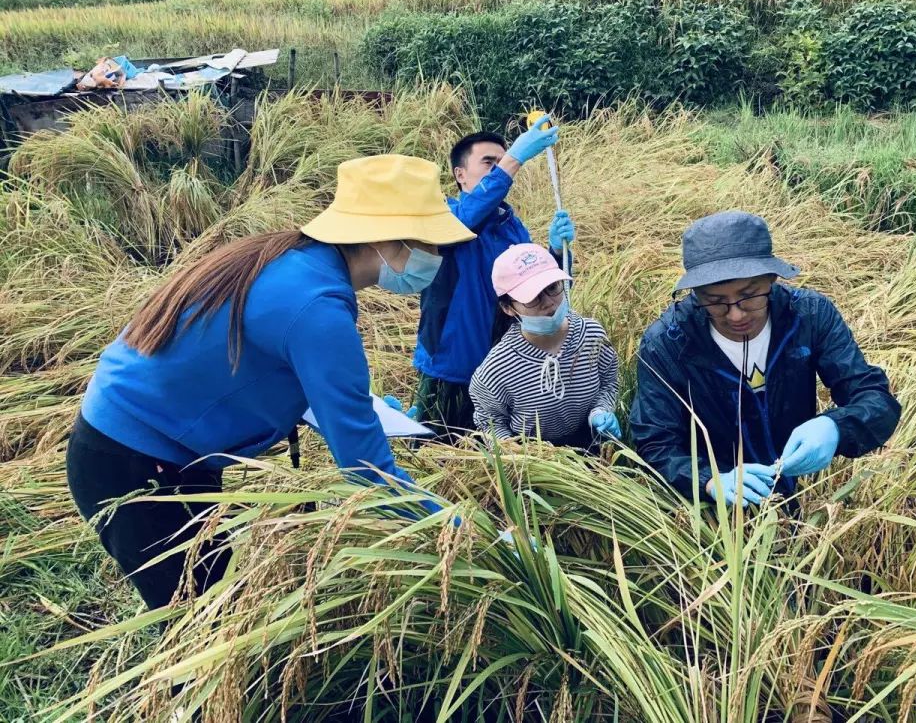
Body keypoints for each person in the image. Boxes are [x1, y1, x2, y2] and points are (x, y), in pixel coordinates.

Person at [66, 155, 475, 610]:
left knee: (214, 600)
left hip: (131, 445)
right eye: (429, 244)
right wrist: (460, 528)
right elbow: (367, 471)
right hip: (136, 468)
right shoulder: (315, 307)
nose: (434, 259)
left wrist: (358, 407)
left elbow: (261, 365)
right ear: (382, 236)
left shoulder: (293, 260)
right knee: (201, 625)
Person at [630, 211, 900, 508]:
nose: (735, 314)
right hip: (712, 504)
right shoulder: (667, 343)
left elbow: (875, 399)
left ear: (772, 279)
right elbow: (656, 442)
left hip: (797, 488)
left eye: (749, 295)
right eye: (715, 301)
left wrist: (836, 427)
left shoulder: (810, 316)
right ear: (695, 293)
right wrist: (709, 480)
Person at [411, 118, 577, 441]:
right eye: (489, 162)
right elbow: (463, 224)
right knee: (434, 455)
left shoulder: (510, 225)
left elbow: (536, 288)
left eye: (502, 161)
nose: (499, 168)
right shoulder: (442, 215)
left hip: (504, 366)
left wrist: (555, 252)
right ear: (460, 175)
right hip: (449, 370)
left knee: (496, 458)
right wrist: (514, 159)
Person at [469, 244, 620, 450]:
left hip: (591, 444)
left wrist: (600, 412)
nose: (548, 302)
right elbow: (490, 422)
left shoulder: (592, 336)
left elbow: (609, 381)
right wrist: (520, 456)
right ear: (508, 308)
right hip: (535, 457)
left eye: (552, 288)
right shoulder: (497, 369)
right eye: (533, 297)